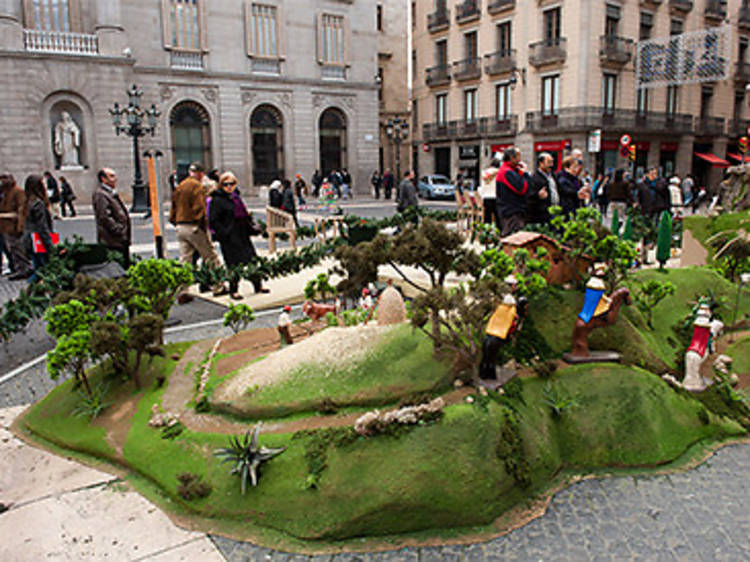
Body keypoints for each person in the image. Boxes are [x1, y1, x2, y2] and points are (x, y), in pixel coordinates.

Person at [208, 171, 268, 299]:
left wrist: (252, 227)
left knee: (251, 259)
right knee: (233, 263)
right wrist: (224, 233)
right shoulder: (217, 200)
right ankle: (233, 289)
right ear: (221, 185)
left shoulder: (236, 197)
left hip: (242, 233)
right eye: (226, 184)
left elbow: (245, 215)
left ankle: (257, 284)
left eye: (232, 183)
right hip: (229, 236)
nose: (229, 187)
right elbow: (213, 220)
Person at [169, 162, 223, 294]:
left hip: (180, 226)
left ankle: (183, 290)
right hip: (193, 226)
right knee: (210, 257)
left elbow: (173, 209)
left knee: (185, 260)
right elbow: (199, 208)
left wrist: (175, 222)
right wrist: (203, 226)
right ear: (201, 173)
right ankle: (218, 286)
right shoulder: (197, 186)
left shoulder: (180, 186)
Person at [93, 168, 131, 268]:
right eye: (111, 176)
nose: (115, 179)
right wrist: (118, 229)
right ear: (103, 179)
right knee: (117, 266)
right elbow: (104, 216)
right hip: (112, 240)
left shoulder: (110, 193)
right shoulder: (101, 194)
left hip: (119, 239)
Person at [22, 174, 54, 282]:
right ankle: (30, 291)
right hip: (38, 240)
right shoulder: (38, 204)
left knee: (38, 268)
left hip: (30, 239)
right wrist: (50, 244)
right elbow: (42, 226)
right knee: (43, 270)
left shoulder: (27, 201)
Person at [0, 174, 32, 279]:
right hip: (5, 226)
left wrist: (20, 226)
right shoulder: (4, 192)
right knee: (11, 249)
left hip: (13, 226)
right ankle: (17, 267)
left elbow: (22, 210)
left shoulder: (18, 192)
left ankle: (24, 268)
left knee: (17, 248)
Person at [496, 147, 531, 236]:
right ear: (512, 157)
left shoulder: (509, 170)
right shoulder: (507, 172)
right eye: (518, 157)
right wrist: (525, 174)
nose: (520, 160)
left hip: (512, 210)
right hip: (512, 211)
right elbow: (522, 188)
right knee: (513, 237)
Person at [527, 152, 558, 225]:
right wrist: (538, 195)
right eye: (549, 162)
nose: (551, 165)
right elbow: (529, 197)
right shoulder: (534, 178)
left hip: (555, 210)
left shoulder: (553, 176)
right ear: (541, 163)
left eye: (552, 162)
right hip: (543, 215)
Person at [479, 156, 500, 225]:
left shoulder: (484, 172)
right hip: (495, 196)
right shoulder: (499, 172)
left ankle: (487, 232)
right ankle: (499, 233)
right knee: (498, 218)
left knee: (487, 218)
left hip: (486, 196)